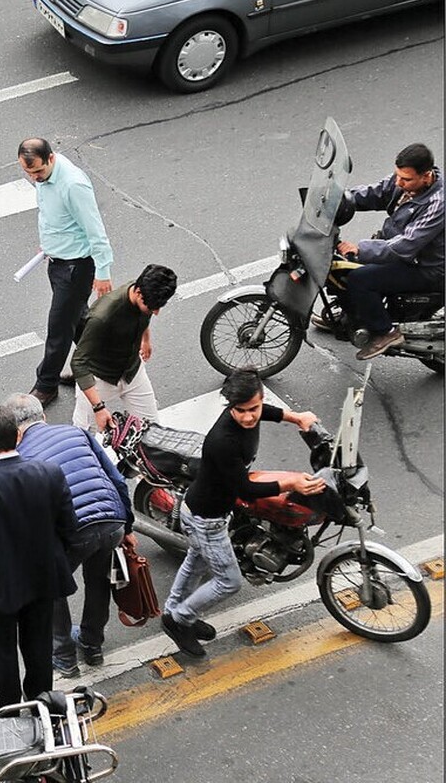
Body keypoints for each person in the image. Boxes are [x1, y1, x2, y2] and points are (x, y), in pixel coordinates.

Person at [162, 368, 325, 658]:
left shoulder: (254, 412)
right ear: (230, 406)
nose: (249, 416)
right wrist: (291, 482)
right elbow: (246, 490)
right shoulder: (224, 441)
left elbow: (269, 412)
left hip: (205, 509)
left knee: (196, 560)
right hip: (206, 519)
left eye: (254, 408)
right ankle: (180, 619)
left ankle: (172, 612)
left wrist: (296, 417)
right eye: (241, 411)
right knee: (229, 582)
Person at [5, 393, 135, 677]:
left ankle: (63, 656)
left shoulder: (20, 457)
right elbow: (117, 479)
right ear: (44, 417)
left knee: (51, 587)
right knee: (99, 581)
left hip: (74, 530)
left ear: (15, 432)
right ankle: (92, 644)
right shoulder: (77, 433)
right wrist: (128, 527)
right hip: (112, 520)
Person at [0, 404, 78, 707]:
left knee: (2, 652)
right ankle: (40, 701)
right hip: (42, 578)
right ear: (18, 436)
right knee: (39, 646)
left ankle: (8, 704)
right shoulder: (48, 472)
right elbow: (68, 527)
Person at [17, 137, 116, 409]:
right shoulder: (44, 178)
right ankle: (99, 365)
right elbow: (52, 216)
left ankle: (45, 385)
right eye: (28, 173)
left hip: (75, 267)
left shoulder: (72, 185)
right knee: (77, 320)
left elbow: (96, 231)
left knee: (59, 328)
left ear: (51, 159)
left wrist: (103, 271)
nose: (34, 178)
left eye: (37, 171)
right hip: (57, 261)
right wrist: (49, 242)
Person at [334, 142, 444, 360]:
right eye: (397, 176)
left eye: (406, 179)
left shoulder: (438, 203)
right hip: (402, 254)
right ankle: (352, 316)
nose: (399, 183)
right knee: (343, 267)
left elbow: (406, 245)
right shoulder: (404, 181)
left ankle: (385, 332)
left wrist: (361, 248)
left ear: (426, 176)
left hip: (427, 269)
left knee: (360, 279)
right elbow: (376, 192)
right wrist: (340, 199)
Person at [72, 264, 177, 434]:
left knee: (153, 432)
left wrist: (146, 340)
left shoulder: (148, 294)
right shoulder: (102, 316)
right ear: (137, 292)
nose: (156, 312)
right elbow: (78, 363)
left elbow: (144, 316)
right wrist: (99, 408)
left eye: (159, 306)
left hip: (132, 372)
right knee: (84, 435)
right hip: (99, 377)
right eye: (151, 307)